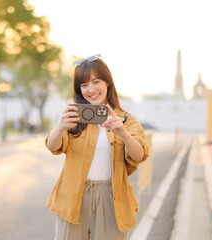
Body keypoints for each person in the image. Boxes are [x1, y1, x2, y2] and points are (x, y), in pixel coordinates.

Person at [45, 54, 150, 240]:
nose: (90, 89)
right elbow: (53, 147)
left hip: (111, 197)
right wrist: (61, 126)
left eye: (96, 82)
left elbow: (140, 154)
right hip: (74, 195)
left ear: (107, 82)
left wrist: (123, 133)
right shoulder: (74, 117)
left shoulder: (125, 120)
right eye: (84, 85)